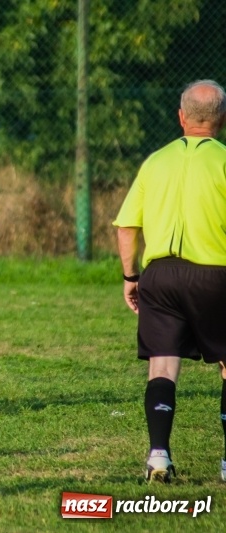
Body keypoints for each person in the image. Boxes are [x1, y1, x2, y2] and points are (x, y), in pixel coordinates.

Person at [113, 79, 226, 483]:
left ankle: (158, 456)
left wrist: (132, 276)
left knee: (162, 364)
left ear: (180, 117)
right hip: (215, 275)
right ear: (222, 120)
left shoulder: (155, 162)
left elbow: (127, 226)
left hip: (158, 276)